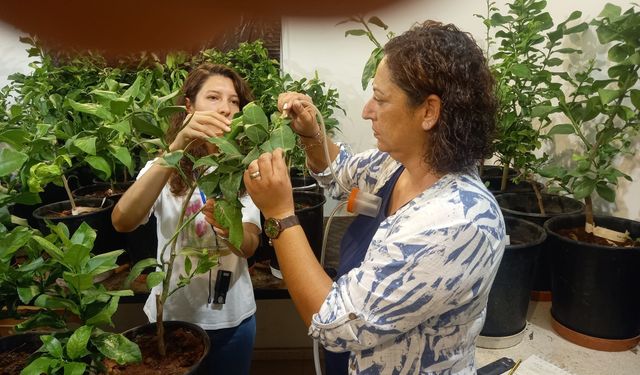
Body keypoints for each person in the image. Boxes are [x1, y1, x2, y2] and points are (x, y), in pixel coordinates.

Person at [243, 21, 506, 374]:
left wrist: (279, 215)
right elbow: (339, 172)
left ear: (429, 112)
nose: (367, 110)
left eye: (380, 99)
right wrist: (311, 134)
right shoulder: (396, 165)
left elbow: (333, 321)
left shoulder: (456, 222)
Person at [112, 63, 261, 375]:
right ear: (189, 106)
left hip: (232, 318)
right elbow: (122, 221)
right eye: (214, 97)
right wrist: (176, 148)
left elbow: (249, 244)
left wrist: (228, 226)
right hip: (173, 318)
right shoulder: (164, 167)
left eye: (234, 101)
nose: (226, 108)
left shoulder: (241, 170)